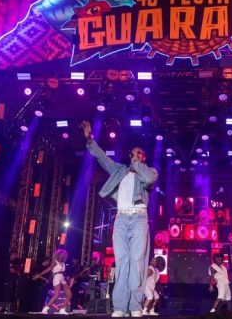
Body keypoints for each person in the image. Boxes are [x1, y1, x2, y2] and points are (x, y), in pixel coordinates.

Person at [82, 121, 158, 318]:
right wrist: (90, 139)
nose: (134, 154)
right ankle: (120, 307)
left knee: (137, 260)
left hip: (139, 218)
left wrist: (137, 163)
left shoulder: (149, 172)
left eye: (138, 153)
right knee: (122, 261)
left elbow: (149, 179)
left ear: (143, 157)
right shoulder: (119, 170)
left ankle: (135, 305)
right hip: (122, 218)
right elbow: (102, 158)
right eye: (133, 152)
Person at [34, 248, 71, 314]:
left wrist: (68, 279)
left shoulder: (63, 263)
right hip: (57, 278)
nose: (61, 256)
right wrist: (39, 275)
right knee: (56, 295)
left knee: (69, 295)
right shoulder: (55, 262)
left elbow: (63, 272)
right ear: (57, 255)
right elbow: (48, 269)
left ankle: (62, 309)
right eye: (60, 255)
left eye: (63, 255)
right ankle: (45, 308)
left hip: (62, 278)